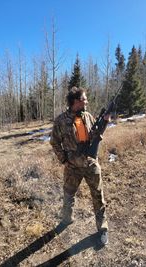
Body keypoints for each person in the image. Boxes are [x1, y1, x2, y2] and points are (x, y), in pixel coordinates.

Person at [50, 86, 109, 246]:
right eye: (84, 99)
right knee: (69, 195)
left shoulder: (88, 116)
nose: (87, 101)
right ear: (76, 101)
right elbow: (54, 141)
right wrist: (64, 160)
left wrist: (104, 122)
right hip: (72, 168)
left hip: (91, 164)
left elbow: (96, 136)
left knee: (98, 196)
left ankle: (102, 229)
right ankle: (66, 219)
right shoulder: (61, 120)